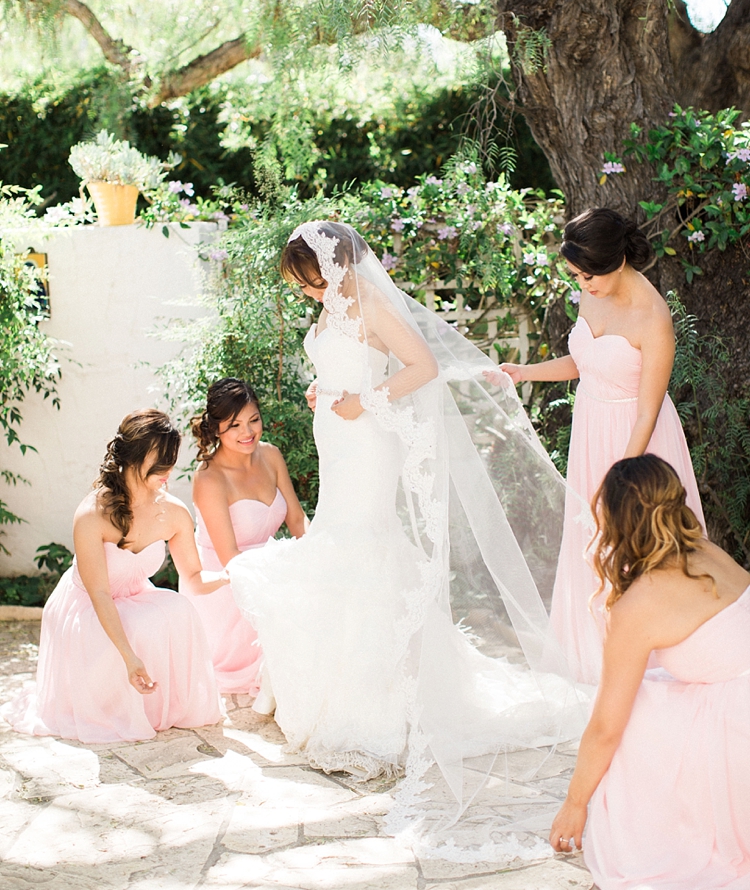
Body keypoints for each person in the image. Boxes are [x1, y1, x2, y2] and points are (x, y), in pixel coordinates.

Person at [228, 220, 587, 860]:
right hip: (336, 438)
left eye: (306, 280)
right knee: (343, 539)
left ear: (330, 265)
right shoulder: (335, 307)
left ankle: (377, 699)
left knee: (364, 542)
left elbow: (421, 365)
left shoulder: (370, 303)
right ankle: (335, 681)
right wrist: (325, 389)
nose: (306, 293)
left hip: (367, 443)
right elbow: (342, 366)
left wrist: (365, 398)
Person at [487, 208, 703, 684]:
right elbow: (585, 360)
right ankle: (593, 661)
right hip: (592, 431)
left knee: (636, 547)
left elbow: (648, 411)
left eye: (589, 275)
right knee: (591, 543)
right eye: (576, 275)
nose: (583, 284)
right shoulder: (592, 293)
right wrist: (524, 373)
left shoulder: (653, 317)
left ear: (618, 260)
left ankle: (645, 663)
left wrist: (622, 478)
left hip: (637, 445)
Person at [550, 454, 750, 888]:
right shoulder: (707, 552)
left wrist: (575, 803)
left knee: (631, 711)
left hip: (742, 730)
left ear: (617, 519)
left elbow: (605, 726)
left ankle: (672, 829)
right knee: (653, 687)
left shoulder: (640, 603)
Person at [4, 410, 227, 744]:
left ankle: (158, 707)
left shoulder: (175, 512)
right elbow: (99, 594)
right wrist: (130, 658)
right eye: (160, 461)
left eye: (171, 460)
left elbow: (193, 577)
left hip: (135, 597)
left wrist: (231, 576)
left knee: (181, 610)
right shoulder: (92, 514)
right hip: (88, 607)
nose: (167, 471)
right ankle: (117, 698)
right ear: (132, 457)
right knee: (138, 627)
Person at [185, 378, 306, 697]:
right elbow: (230, 558)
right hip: (228, 587)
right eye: (234, 425)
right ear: (216, 430)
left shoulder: (271, 455)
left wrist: (313, 557)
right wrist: (285, 579)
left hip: (269, 568)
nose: (248, 432)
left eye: (254, 420)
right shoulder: (209, 478)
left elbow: (295, 517)